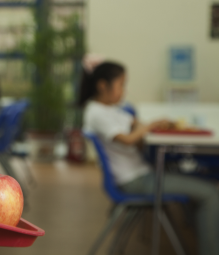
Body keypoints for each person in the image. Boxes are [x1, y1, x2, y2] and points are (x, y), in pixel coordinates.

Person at [80, 60, 219, 255]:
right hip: (135, 181)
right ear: (103, 85)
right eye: (121, 85)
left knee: (201, 185)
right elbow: (128, 139)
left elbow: (135, 124)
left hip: (141, 173)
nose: (124, 91)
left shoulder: (109, 108)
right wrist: (150, 126)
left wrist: (151, 125)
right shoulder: (95, 113)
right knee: (211, 193)